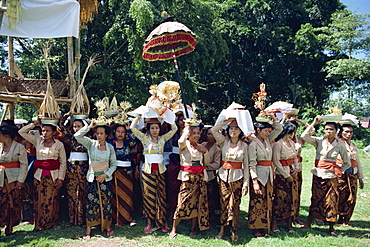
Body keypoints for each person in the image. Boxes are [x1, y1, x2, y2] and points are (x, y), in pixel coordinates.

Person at [302, 117, 350, 237]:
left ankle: (331, 227)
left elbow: (347, 162)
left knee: (331, 201)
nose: (329, 131)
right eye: (326, 129)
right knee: (315, 198)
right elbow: (304, 136)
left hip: (331, 177)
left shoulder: (340, 145)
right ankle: (309, 222)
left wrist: (337, 171)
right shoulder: (319, 141)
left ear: (336, 131)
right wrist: (313, 123)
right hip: (318, 174)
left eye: (331, 129)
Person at [130, 115, 177, 234]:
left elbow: (174, 129)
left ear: (159, 129)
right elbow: (132, 128)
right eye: (152, 128)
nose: (155, 130)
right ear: (148, 129)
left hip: (160, 172)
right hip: (147, 171)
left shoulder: (162, 139)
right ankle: (149, 222)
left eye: (157, 128)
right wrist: (138, 117)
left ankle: (163, 221)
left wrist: (168, 117)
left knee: (161, 195)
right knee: (148, 196)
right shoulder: (144, 138)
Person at [18, 120, 67, 231]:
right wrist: (34, 124)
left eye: (47, 131)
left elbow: (63, 162)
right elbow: (21, 132)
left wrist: (60, 178)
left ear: (54, 132)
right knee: (39, 199)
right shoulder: (38, 141)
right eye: (43, 131)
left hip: (53, 176)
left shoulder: (59, 145)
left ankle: (51, 222)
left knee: (51, 199)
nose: (44, 133)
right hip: (39, 175)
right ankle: (39, 223)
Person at [74, 120, 117, 239]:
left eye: (101, 133)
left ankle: (107, 227)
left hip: (105, 180)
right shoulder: (90, 144)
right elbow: (77, 136)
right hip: (92, 178)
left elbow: (113, 164)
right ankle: (89, 229)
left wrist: (106, 175)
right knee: (91, 203)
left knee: (106, 202)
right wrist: (89, 127)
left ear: (106, 135)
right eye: (97, 133)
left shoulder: (110, 147)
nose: (99, 136)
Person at [169, 121, 210, 239]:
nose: (196, 135)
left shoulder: (200, 146)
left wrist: (205, 151)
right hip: (187, 178)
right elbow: (180, 141)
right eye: (193, 133)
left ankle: (193, 228)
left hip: (200, 178)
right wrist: (187, 128)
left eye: (198, 133)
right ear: (188, 134)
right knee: (182, 202)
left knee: (197, 203)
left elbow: (206, 163)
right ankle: (174, 228)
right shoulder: (184, 145)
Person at [211, 118, 249, 242]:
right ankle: (222, 229)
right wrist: (227, 120)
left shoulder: (244, 146)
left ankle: (234, 230)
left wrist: (246, 183)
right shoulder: (223, 142)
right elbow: (213, 130)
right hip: (223, 177)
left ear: (240, 131)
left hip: (237, 177)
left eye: (236, 128)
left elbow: (247, 165)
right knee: (224, 203)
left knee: (235, 204)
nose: (233, 130)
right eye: (231, 128)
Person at [248, 112, 282, 238]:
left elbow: (279, 128)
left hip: (269, 175)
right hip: (259, 175)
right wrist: (255, 181)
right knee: (257, 201)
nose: (268, 133)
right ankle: (256, 227)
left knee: (268, 200)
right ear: (258, 130)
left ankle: (265, 225)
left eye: (269, 131)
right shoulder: (253, 144)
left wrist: (272, 117)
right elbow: (252, 164)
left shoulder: (268, 140)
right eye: (265, 131)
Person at [271, 122, 299, 233]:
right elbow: (276, 161)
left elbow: (295, 157)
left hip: (291, 171)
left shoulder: (291, 143)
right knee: (279, 198)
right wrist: (286, 175)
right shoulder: (278, 144)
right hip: (281, 174)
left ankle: (289, 223)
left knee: (291, 198)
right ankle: (274, 222)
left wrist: (296, 168)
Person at [0, 125, 28, 235]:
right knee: (2, 202)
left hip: (14, 179)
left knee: (13, 202)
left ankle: (10, 227)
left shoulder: (19, 147)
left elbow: (24, 165)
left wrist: (21, 180)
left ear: (6, 136)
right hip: (1, 179)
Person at [109, 124, 138, 227]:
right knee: (115, 196)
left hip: (127, 173)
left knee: (127, 196)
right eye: (118, 131)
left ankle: (128, 218)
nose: (120, 134)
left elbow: (134, 138)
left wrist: (129, 128)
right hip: (114, 172)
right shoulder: (110, 143)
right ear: (114, 132)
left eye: (122, 132)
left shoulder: (128, 143)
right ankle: (117, 219)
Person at [337, 124, 364, 226]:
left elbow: (357, 162)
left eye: (350, 132)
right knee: (341, 195)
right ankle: (336, 217)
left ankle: (345, 219)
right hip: (341, 172)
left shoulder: (353, 145)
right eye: (346, 132)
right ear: (341, 132)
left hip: (352, 173)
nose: (348, 134)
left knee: (351, 197)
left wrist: (360, 177)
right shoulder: (338, 143)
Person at [65, 119, 89, 227]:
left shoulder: (88, 139)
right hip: (71, 167)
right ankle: (71, 218)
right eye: (74, 126)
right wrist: (69, 116)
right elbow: (63, 126)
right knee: (71, 192)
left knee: (83, 192)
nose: (76, 129)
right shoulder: (71, 137)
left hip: (83, 168)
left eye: (79, 126)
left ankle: (82, 219)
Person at [289, 118, 308, 226]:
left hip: (298, 168)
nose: (293, 130)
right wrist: (284, 118)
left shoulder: (300, 139)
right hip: (287, 168)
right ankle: (285, 217)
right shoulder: (281, 140)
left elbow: (311, 129)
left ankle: (295, 216)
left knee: (297, 193)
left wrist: (298, 120)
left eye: (295, 128)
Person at [201, 127, 221, 225]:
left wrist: (204, 166)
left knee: (210, 197)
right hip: (201, 175)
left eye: (212, 134)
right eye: (209, 134)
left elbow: (217, 164)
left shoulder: (217, 148)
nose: (210, 136)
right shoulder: (202, 145)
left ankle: (210, 217)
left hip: (210, 176)